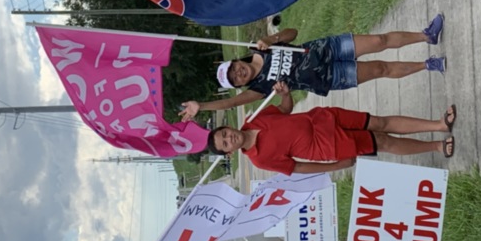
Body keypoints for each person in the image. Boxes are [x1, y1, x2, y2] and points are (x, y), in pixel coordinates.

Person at [178, 14, 445, 121]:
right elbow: (231, 105)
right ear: (239, 85)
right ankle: (427, 65)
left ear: (237, 61)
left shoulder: (260, 48)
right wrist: (202, 106)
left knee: (378, 40)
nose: (238, 74)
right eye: (235, 79)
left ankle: (426, 36)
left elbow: (293, 32)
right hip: (329, 77)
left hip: (326, 48)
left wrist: (271, 38)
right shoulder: (259, 89)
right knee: (379, 69)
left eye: (234, 68)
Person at [206, 81, 457, 174]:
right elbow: (299, 167)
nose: (231, 138)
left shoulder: (254, 119)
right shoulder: (259, 160)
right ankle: (435, 146)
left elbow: (285, 111)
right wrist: (336, 166)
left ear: (228, 127)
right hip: (328, 146)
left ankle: (438, 124)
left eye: (225, 134)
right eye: (226, 143)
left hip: (324, 119)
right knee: (382, 141)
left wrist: (285, 94)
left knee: (378, 122)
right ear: (229, 152)